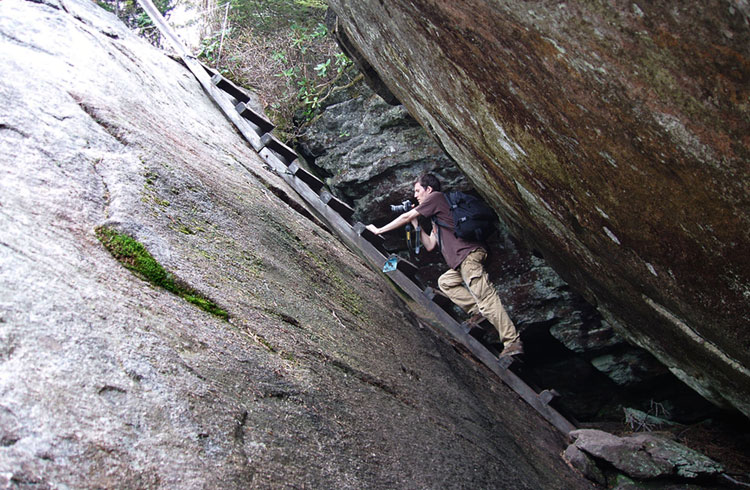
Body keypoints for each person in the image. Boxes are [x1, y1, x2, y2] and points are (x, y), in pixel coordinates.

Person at [366, 173, 524, 358]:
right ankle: (478, 311)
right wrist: (416, 222)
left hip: (468, 256)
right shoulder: (437, 217)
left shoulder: (436, 198)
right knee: (446, 282)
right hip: (461, 262)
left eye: (417, 191)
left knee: (487, 298)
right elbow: (430, 244)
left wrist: (379, 230)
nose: (415, 195)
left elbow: (405, 216)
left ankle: (512, 341)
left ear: (429, 189)